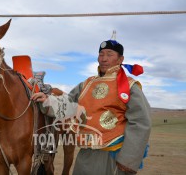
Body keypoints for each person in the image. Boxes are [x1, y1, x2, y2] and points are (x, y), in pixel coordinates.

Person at [31, 38, 151, 174]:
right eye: (101, 54)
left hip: (113, 155)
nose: (104, 59)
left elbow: (141, 122)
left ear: (120, 59)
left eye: (109, 54)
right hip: (86, 152)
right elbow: (68, 103)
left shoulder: (129, 86)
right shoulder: (87, 84)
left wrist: (128, 160)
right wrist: (47, 100)